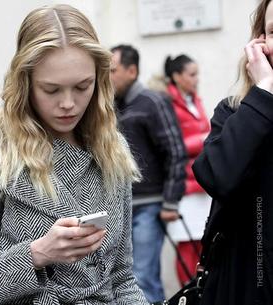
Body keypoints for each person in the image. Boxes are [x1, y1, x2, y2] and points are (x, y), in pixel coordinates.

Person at [0, 5, 148, 305]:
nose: (68, 103)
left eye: (82, 86)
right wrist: (36, 254)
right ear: (26, 82)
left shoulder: (112, 152)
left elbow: (121, 278)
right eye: (51, 89)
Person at [192, 0, 273, 303]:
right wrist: (264, 91)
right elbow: (215, 176)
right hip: (243, 287)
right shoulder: (236, 112)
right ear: (259, 44)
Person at [110, 44, 187, 303]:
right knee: (125, 279)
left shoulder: (154, 102)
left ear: (132, 70)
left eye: (113, 70)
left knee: (143, 277)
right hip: (120, 208)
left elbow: (176, 151)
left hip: (151, 207)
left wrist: (171, 202)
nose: (107, 76)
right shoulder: (110, 107)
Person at [163, 54, 212, 286]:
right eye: (191, 75)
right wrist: (203, 139)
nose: (196, 79)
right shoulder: (167, 104)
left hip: (202, 182)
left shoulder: (196, 100)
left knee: (203, 243)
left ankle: (202, 292)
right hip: (184, 185)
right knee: (185, 245)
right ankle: (188, 292)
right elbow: (170, 144)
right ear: (177, 76)